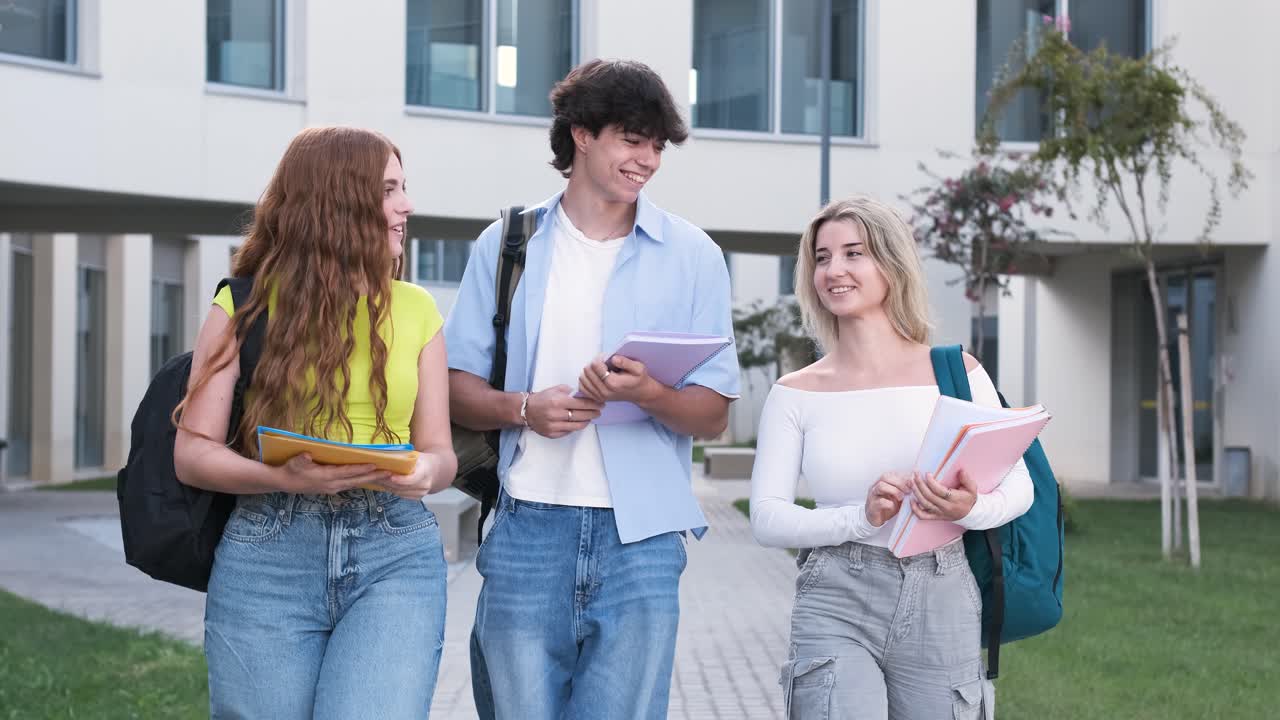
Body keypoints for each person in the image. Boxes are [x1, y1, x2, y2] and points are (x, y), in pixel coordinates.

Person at [446, 59, 741, 719]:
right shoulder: (508, 245)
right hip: (526, 527)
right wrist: (524, 409)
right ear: (581, 134)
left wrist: (650, 394)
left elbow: (714, 414)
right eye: (632, 139)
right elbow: (452, 389)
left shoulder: (693, 255)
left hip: (642, 540)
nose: (648, 160)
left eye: (657, 145)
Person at [173, 126, 456, 719]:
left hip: (394, 549)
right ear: (337, 202)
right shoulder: (243, 306)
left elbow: (440, 452)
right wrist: (286, 479)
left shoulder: (418, 309)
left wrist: (423, 471)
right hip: (269, 550)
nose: (406, 205)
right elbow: (193, 453)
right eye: (388, 190)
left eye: (405, 188)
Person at [748, 197, 1033, 719]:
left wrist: (966, 508)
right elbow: (766, 517)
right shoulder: (795, 393)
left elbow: (1020, 486)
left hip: (943, 590)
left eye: (853, 253)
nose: (833, 270)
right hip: (835, 593)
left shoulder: (958, 373)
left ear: (891, 264)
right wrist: (861, 517)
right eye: (823, 257)